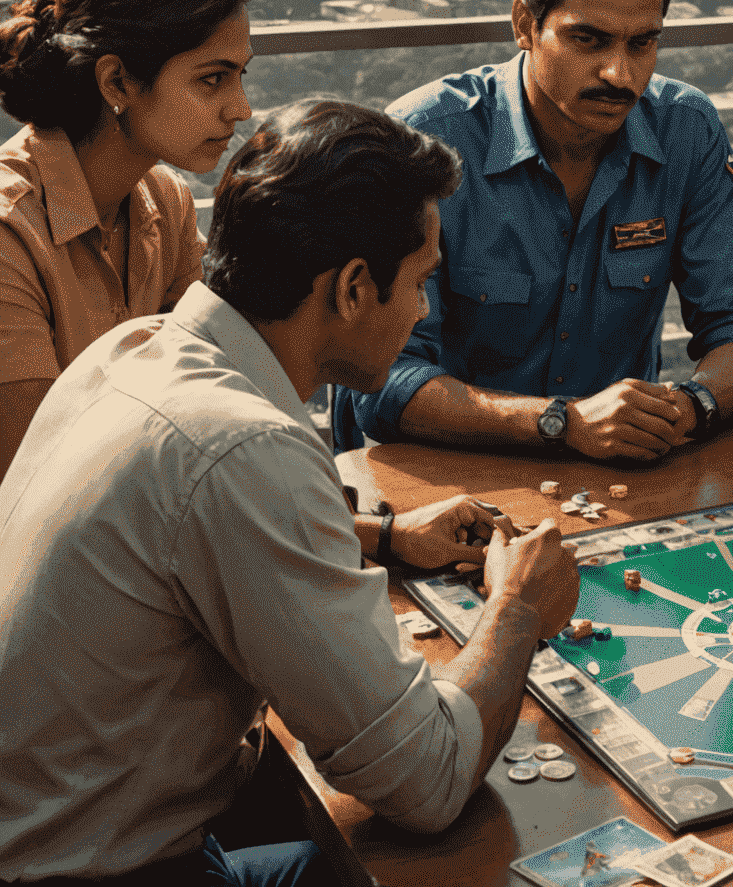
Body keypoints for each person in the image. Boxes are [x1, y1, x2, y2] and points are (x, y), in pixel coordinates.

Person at [0, 99, 580, 885]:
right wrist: (516, 613)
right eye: (418, 283)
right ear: (349, 288)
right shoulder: (248, 446)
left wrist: (383, 531)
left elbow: (192, 527)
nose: (418, 312)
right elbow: (427, 782)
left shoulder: (134, 349)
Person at [334, 0, 733, 460]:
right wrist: (561, 422)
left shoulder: (685, 131)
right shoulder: (423, 143)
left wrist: (689, 407)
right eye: (587, 39)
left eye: (642, 43)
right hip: (444, 482)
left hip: (617, 476)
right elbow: (378, 381)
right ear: (525, 25)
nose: (619, 73)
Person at [0, 0, 256, 481]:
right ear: (116, 81)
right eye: (213, 80)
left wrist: (379, 530)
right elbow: (34, 478)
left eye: (241, 75)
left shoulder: (166, 201)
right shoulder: (8, 235)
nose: (241, 108)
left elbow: (218, 402)